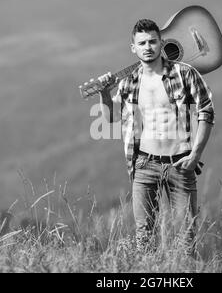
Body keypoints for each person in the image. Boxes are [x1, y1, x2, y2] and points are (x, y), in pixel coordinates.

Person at [92, 19, 215, 256]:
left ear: (161, 43)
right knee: (144, 238)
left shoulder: (185, 73)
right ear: (133, 48)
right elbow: (110, 119)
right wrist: (104, 94)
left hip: (180, 163)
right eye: (142, 43)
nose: (148, 47)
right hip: (144, 165)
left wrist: (196, 154)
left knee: (186, 238)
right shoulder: (128, 82)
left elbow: (206, 111)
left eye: (152, 41)